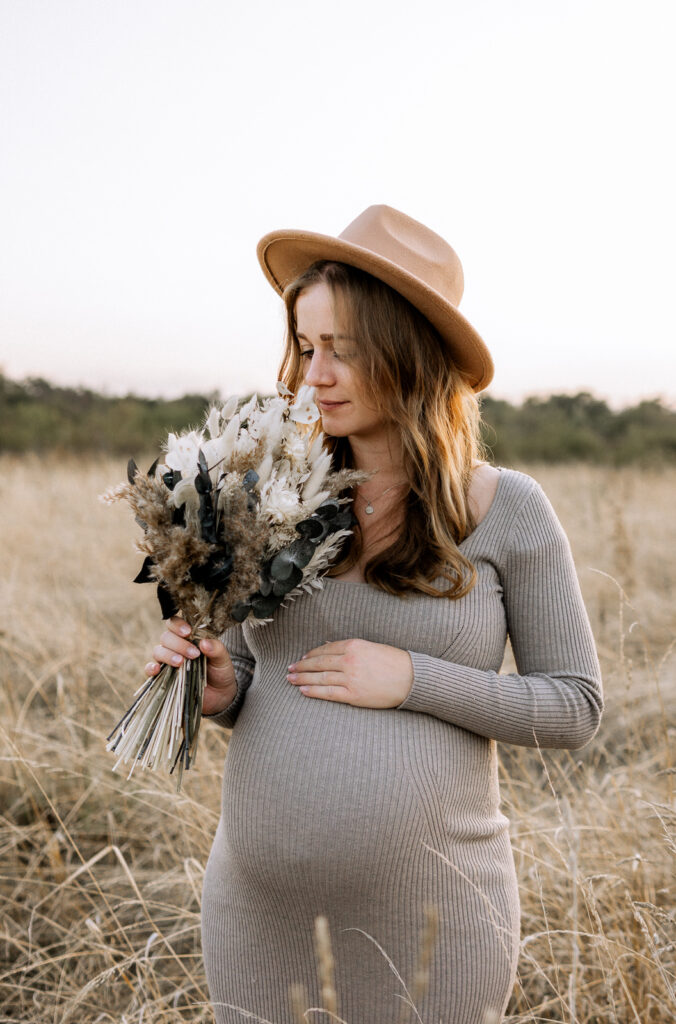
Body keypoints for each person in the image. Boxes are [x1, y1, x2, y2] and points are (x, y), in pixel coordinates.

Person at [145, 205, 603, 1023]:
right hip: (258, 917)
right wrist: (221, 692)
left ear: (410, 355)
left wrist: (412, 678)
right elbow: (256, 677)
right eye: (306, 346)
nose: (312, 375)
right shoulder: (268, 501)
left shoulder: (507, 510)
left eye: (343, 352)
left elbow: (574, 706)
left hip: (436, 924)